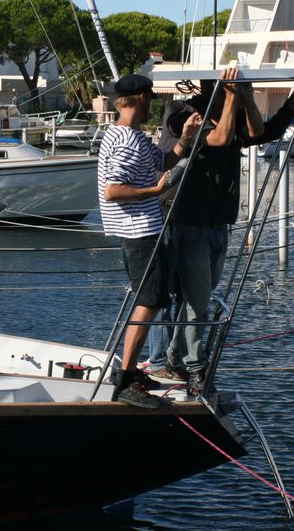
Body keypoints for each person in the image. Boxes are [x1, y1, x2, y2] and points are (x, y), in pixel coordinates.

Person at [167, 68, 294, 393]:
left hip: (219, 223)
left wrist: (283, 95)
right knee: (198, 299)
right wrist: (231, 98)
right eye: (230, 86)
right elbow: (219, 138)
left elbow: (260, 132)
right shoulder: (185, 113)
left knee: (197, 296)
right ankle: (195, 365)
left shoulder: (236, 110)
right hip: (190, 220)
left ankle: (174, 357)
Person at [97, 73, 199, 408]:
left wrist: (184, 139)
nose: (152, 103)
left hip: (143, 230)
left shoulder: (127, 135)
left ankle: (127, 373)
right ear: (140, 98)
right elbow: (113, 191)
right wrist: (155, 190)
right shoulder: (126, 141)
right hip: (140, 231)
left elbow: (163, 162)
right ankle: (126, 379)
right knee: (149, 301)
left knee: (151, 299)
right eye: (150, 98)